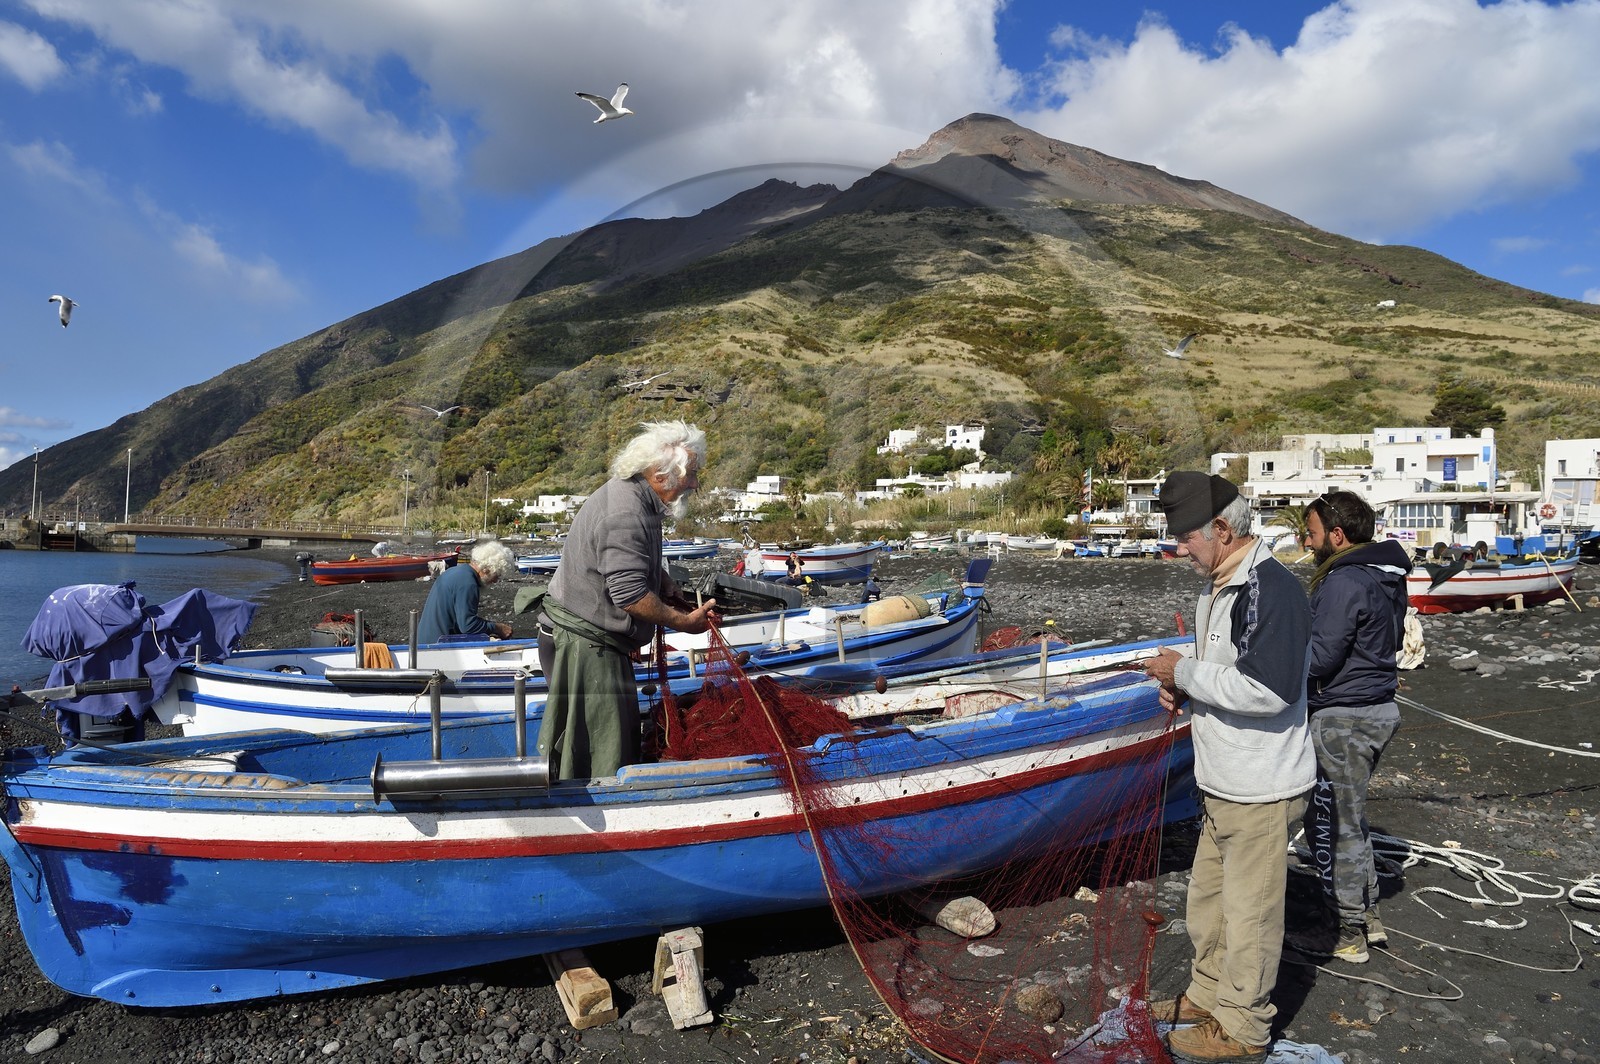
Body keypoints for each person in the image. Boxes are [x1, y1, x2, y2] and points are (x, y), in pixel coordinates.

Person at [1141, 472, 1315, 1064]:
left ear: (1221, 528)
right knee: (1210, 901)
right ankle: (1207, 997)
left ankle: (1243, 1029)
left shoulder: (1272, 589)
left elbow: (1269, 687)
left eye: (1186, 537)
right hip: (1220, 781)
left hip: (1260, 786)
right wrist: (1186, 685)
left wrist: (1184, 674)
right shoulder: (1218, 586)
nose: (1178, 548)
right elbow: (1228, 669)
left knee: (1251, 912)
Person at [536, 421, 719, 781]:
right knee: (600, 755)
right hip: (584, 647)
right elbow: (629, 594)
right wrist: (685, 623)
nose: (695, 484)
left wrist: (663, 582)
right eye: (691, 475)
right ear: (660, 474)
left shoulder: (640, 500)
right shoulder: (626, 512)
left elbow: (625, 567)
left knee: (611, 742)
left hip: (597, 640)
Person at [1298, 490, 1413, 963]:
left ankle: (1345, 932)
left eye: (1312, 533)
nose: (1307, 541)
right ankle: (1365, 916)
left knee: (1331, 823)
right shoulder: (1384, 575)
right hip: (1375, 709)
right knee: (1350, 817)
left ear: (1338, 535)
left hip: (1343, 717)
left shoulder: (1344, 581)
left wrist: (1267, 665)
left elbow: (1322, 656)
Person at [416, 541, 516, 643]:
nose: (495, 581)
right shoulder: (468, 583)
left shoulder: (454, 572)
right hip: (438, 646)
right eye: (496, 575)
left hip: (424, 641)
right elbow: (468, 625)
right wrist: (497, 628)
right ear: (487, 569)